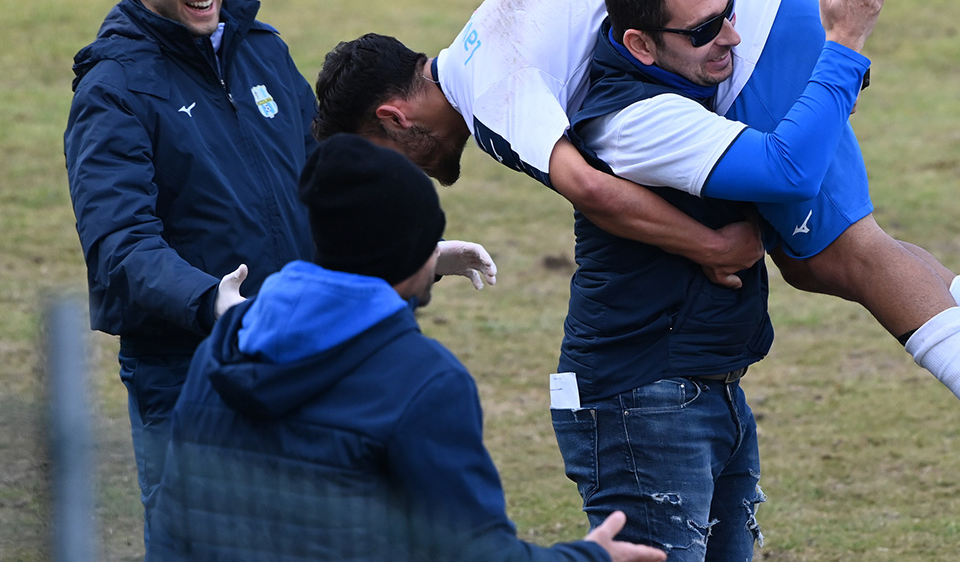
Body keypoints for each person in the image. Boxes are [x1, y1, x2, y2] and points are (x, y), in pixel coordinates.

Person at [312, 0, 960, 554]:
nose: (394, 182)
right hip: (752, 1)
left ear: (393, 120)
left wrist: (707, 248)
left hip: (740, 28)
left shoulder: (490, 88)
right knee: (823, 258)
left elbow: (590, 187)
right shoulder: (482, 45)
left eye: (379, 161)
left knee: (840, 251)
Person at [150, 134, 666, 562]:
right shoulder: (425, 382)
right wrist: (591, 556)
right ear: (415, 255)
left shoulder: (229, 340)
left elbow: (175, 525)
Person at [62, 0, 318, 555]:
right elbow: (118, 245)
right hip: (188, 373)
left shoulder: (261, 48)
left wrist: (402, 251)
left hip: (298, 352)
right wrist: (212, 302)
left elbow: (326, 179)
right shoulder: (114, 89)